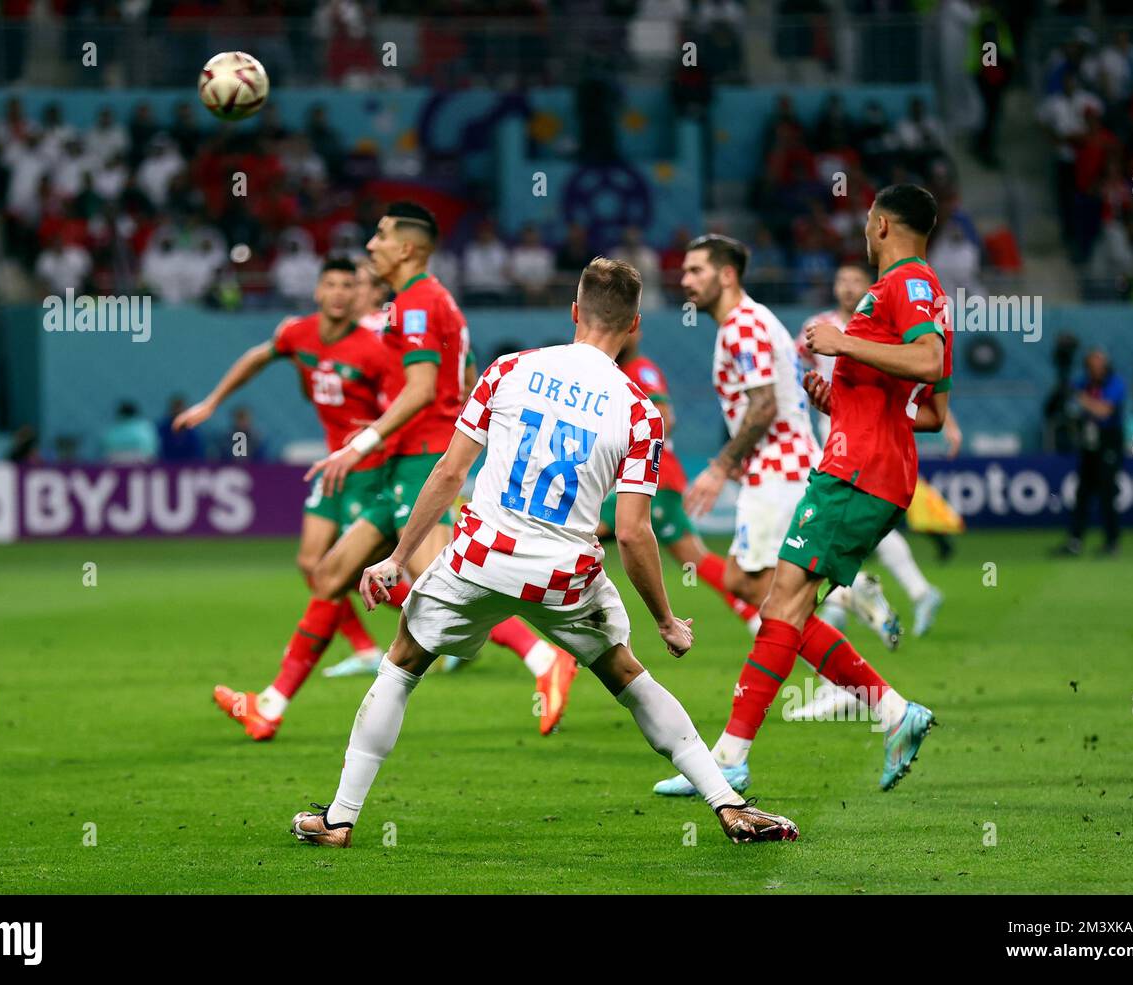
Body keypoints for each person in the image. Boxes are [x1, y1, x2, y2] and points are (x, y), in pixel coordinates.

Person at [290, 258, 799, 848]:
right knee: (629, 677)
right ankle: (728, 803)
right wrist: (664, 618)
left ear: (575, 312)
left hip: (480, 557)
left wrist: (398, 558)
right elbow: (633, 534)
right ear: (634, 324)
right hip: (563, 574)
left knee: (402, 664)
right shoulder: (639, 411)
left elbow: (451, 472)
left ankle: (340, 819)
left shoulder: (508, 370)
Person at [253, 203, 580, 734]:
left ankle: (546, 658)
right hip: (407, 459)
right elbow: (467, 373)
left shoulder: (417, 301)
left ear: (406, 247)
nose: (371, 246)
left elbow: (424, 388)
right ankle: (269, 705)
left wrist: (359, 444)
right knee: (332, 573)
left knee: (442, 583)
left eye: (379, 236)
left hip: (420, 459)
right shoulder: (430, 301)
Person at [757, 183, 947, 791]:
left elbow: (929, 364)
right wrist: (836, 398)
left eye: (868, 221)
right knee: (784, 606)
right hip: (868, 457)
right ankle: (891, 711)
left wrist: (842, 342)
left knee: (781, 605)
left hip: (859, 469)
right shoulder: (917, 293)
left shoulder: (908, 285)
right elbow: (930, 412)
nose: (865, 232)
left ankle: (731, 755)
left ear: (884, 224)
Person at [652, 233, 845, 797]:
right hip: (777, 472)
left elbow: (763, 404)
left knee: (771, 600)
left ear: (727, 275)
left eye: (694, 270)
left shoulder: (742, 325)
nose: (684, 280)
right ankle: (878, 702)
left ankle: (876, 699)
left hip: (780, 475)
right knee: (760, 592)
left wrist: (718, 467)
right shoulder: (752, 320)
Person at [175, 258, 395, 739]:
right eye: (330, 284)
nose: (338, 293)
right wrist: (212, 403)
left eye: (347, 285)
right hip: (332, 469)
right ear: (316, 290)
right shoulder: (299, 334)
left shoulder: (373, 348)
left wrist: (383, 445)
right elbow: (259, 358)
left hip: (370, 472)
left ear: (356, 293)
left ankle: (516, 643)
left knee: (386, 580)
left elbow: (401, 405)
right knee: (313, 565)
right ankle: (358, 649)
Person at [796, 262, 950, 639]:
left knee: (824, 525)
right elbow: (797, 372)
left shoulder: (885, 325)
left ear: (868, 289)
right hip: (825, 434)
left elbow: (920, 385)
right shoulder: (817, 327)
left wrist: (949, 421)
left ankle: (846, 603)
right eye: (841, 280)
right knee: (837, 524)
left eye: (855, 281)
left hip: (866, 440)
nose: (847, 287)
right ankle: (892, 594)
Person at [594, 332, 763, 639]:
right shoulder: (617, 372)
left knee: (579, 536)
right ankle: (761, 616)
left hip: (654, 478)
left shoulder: (640, 368)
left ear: (635, 331)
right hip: (652, 477)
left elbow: (664, 417)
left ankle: (569, 631)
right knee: (696, 560)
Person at [1058, 348, 1125, 557]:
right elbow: (1065, 400)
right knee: (1082, 493)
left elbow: (1104, 411)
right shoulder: (1083, 382)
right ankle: (1075, 541)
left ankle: (1112, 542)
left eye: (1098, 363)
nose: (1095, 368)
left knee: (1107, 493)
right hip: (1088, 443)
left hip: (1109, 442)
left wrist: (1080, 399)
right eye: (1091, 364)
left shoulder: (1115, 383)